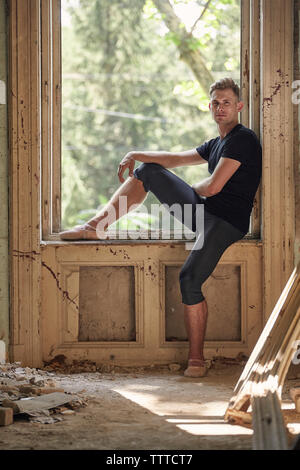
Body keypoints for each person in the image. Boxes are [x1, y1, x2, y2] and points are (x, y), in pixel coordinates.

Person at [59, 77, 262, 378]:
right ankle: (95, 227)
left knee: (189, 278)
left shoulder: (242, 139)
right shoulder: (217, 142)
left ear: (239, 106)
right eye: (216, 103)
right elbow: (176, 159)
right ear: (209, 106)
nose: (221, 108)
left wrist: (191, 189)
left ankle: (196, 360)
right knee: (148, 171)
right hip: (203, 213)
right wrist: (136, 154)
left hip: (225, 222)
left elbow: (214, 186)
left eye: (227, 103)